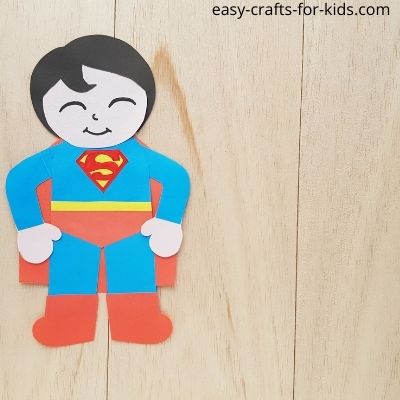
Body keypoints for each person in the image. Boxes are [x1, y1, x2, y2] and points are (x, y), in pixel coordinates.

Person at [6, 35, 190, 346]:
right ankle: (64, 326)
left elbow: (175, 177)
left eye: (117, 104)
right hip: (68, 236)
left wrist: (168, 221)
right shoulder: (55, 158)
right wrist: (30, 226)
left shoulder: (141, 158)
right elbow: (20, 180)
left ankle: (140, 324)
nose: (95, 117)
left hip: (134, 234)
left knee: (134, 276)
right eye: (73, 107)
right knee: (69, 279)